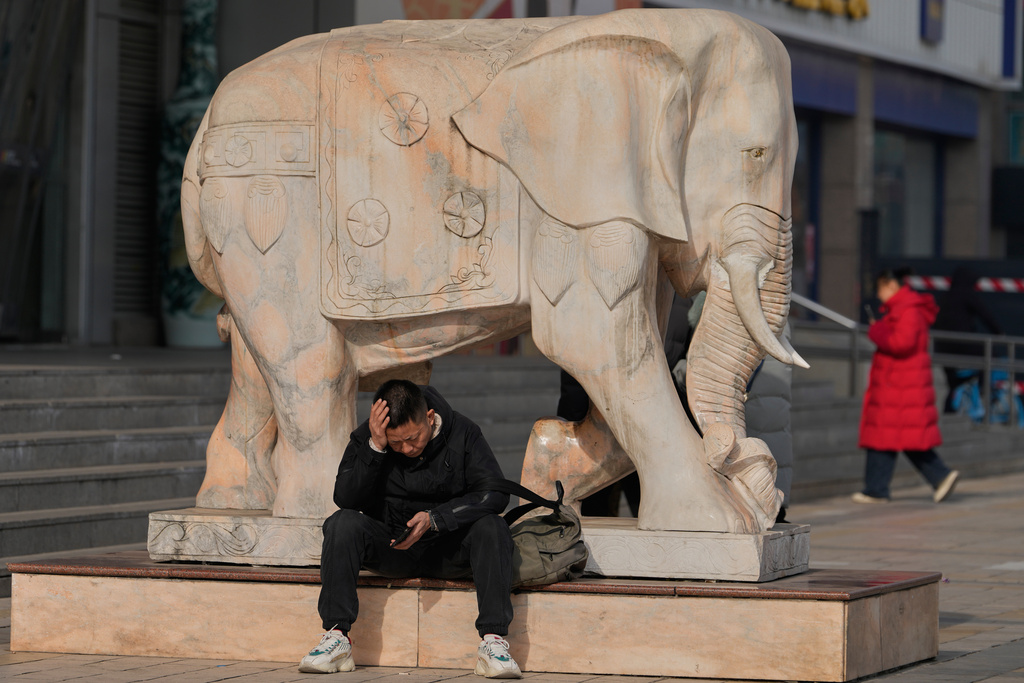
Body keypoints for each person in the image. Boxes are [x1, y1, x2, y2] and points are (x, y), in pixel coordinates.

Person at [300, 380, 521, 678]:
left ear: (429, 418)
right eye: (396, 443)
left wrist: (436, 518)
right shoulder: (371, 437)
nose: (406, 449)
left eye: (413, 438)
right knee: (341, 524)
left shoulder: (463, 432)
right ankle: (337, 638)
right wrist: (375, 448)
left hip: (448, 547)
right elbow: (345, 499)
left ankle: (494, 641)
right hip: (392, 546)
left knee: (492, 526)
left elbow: (494, 494)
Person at [854, 269, 960, 504]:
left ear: (891, 286)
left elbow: (901, 343)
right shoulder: (905, 309)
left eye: (880, 289)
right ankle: (876, 488)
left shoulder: (907, 310)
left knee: (894, 436)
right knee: (888, 436)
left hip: (900, 386)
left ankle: (936, 476)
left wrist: (877, 330)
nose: (879, 295)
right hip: (899, 385)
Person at [933, 267, 1003, 413]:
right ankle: (984, 389)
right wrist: (999, 333)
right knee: (989, 355)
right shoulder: (966, 294)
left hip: (942, 348)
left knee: (953, 382)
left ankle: (949, 409)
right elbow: (986, 316)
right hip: (963, 346)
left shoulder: (944, 297)